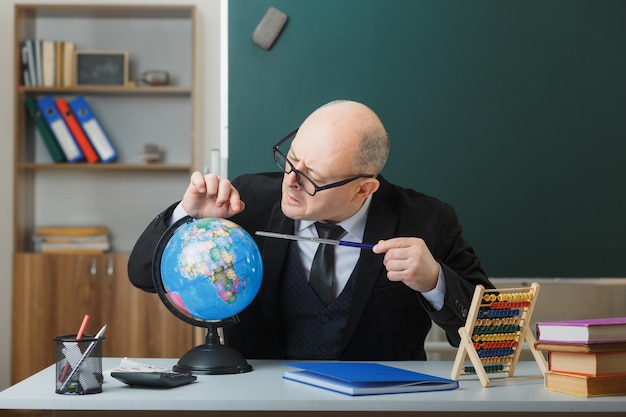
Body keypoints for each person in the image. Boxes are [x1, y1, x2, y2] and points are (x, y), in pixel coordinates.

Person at [128, 99, 494, 361]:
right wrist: (188, 216)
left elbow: (491, 338)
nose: (290, 181)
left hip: (381, 407)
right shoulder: (247, 201)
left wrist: (435, 282)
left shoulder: (428, 220)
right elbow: (143, 275)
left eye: (310, 178)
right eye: (290, 161)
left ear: (364, 188)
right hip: (259, 404)